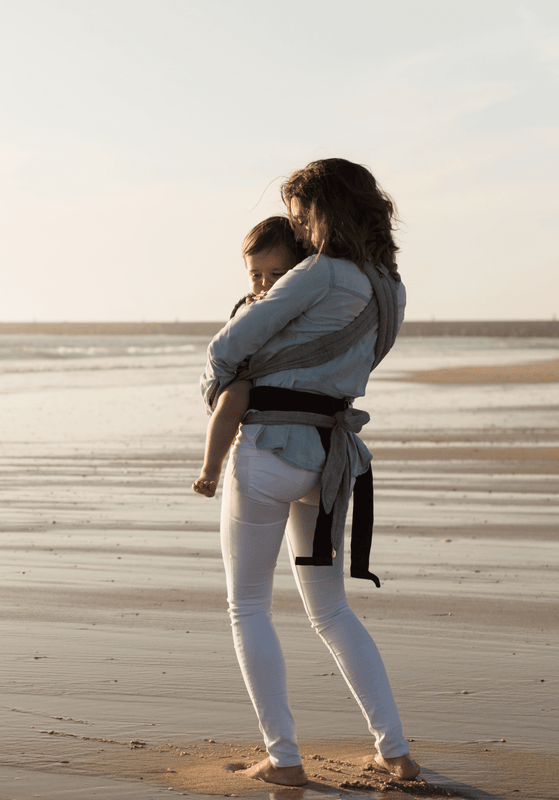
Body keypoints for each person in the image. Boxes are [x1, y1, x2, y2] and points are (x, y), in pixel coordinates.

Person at [199, 158, 419, 787]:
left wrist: (225, 391)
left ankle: (284, 758)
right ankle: (395, 750)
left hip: (269, 450)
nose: (295, 226)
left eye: (299, 213)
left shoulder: (317, 273)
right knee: (332, 612)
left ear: (322, 210)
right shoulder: (390, 287)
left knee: (248, 606)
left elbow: (228, 345)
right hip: (330, 461)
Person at [192, 216, 306, 498]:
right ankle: (210, 469)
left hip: (281, 379)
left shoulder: (299, 299)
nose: (265, 283)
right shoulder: (250, 304)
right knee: (233, 399)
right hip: (245, 376)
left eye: (277, 274)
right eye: (256, 275)